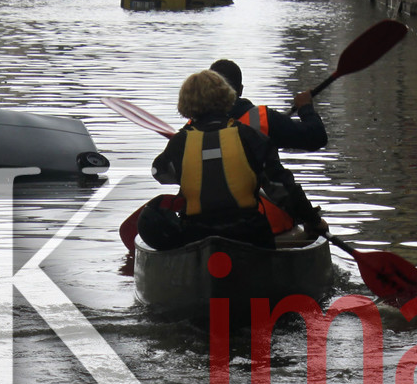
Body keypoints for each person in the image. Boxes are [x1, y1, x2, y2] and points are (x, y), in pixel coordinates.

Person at [138, 70, 326, 252]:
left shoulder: (180, 142)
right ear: (227, 96)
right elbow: (284, 189)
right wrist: (313, 220)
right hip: (248, 233)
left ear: (186, 103)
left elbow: (160, 173)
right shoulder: (250, 137)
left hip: (196, 235)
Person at [209, 58, 327, 151]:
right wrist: (305, 107)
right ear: (240, 90)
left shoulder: (197, 124)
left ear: (209, 91)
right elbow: (317, 137)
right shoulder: (263, 120)